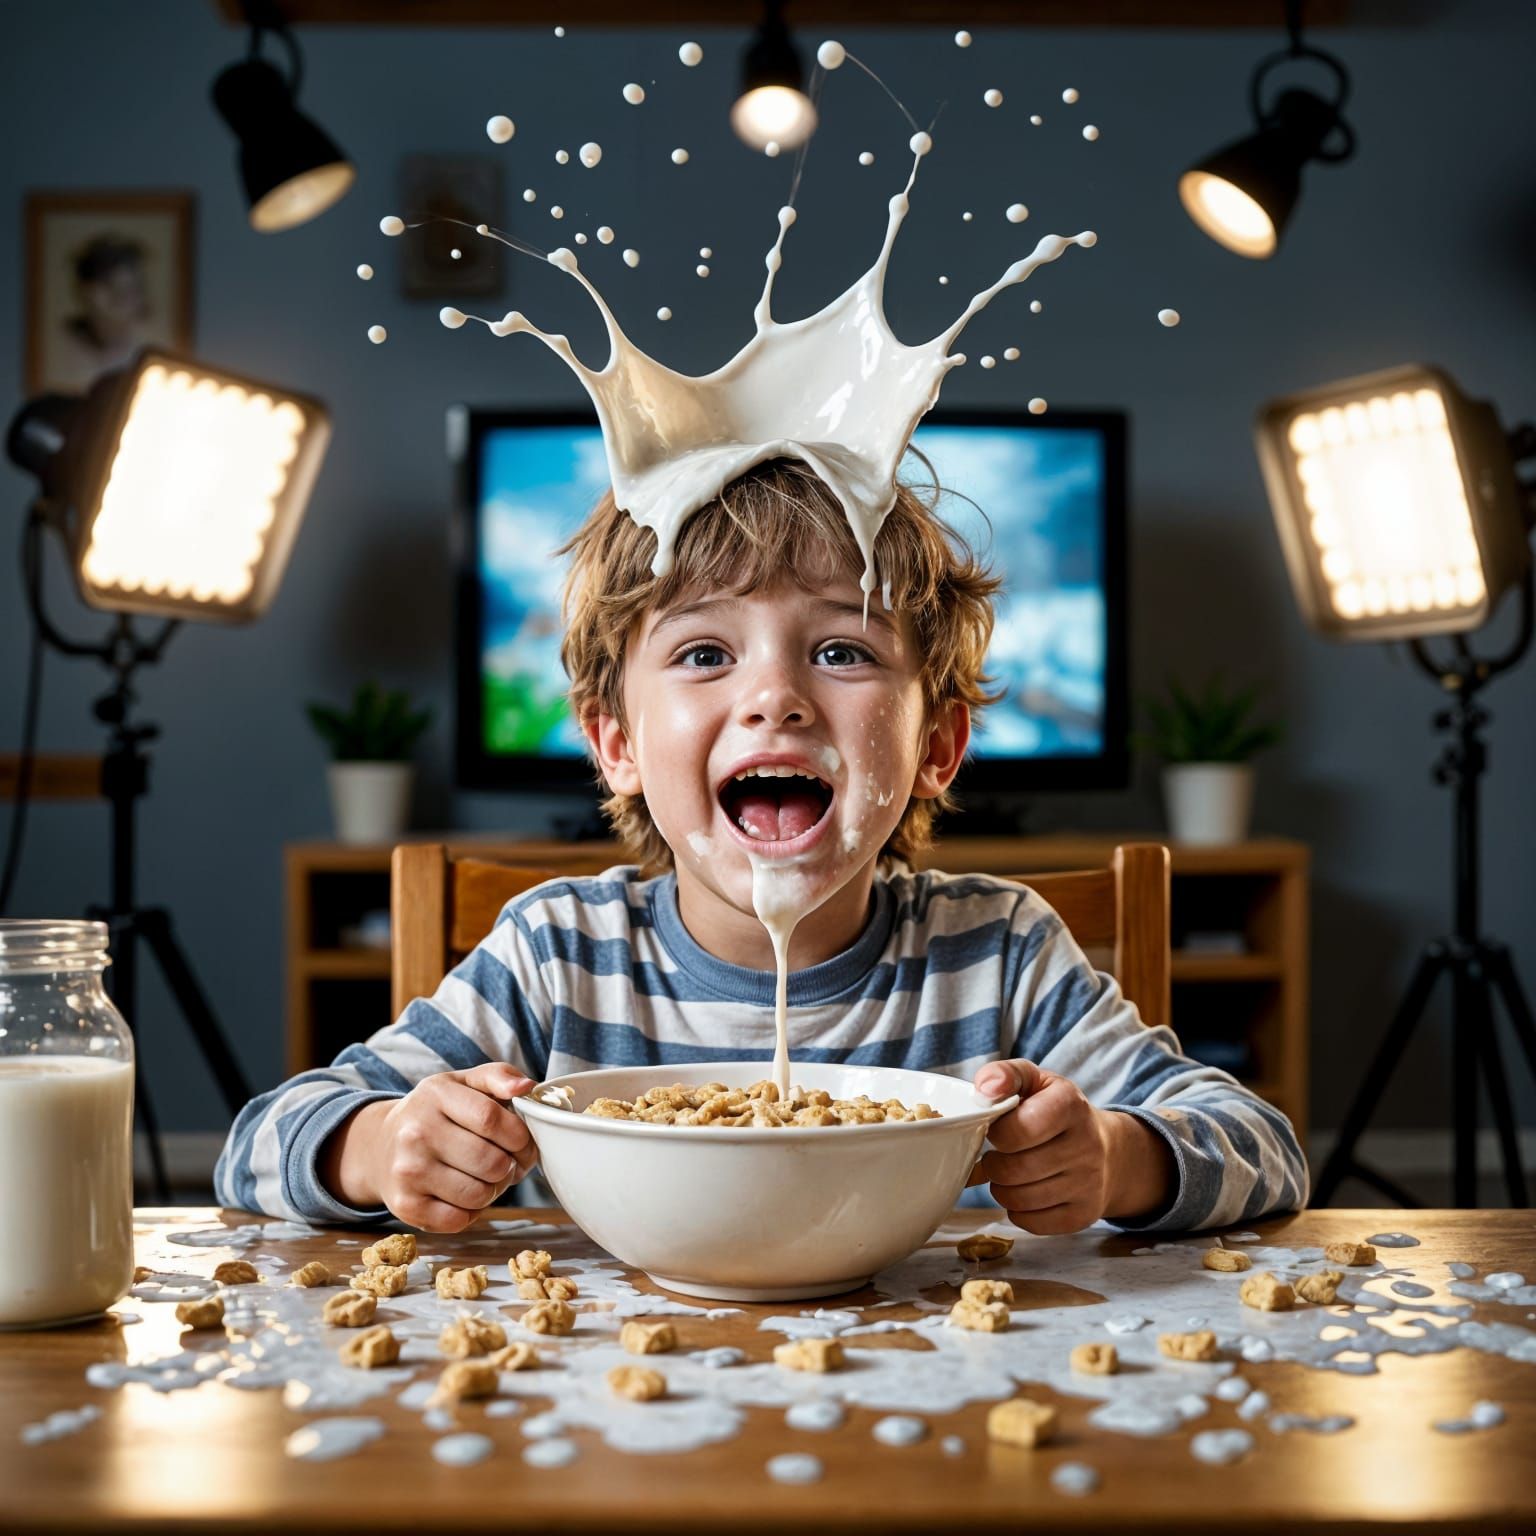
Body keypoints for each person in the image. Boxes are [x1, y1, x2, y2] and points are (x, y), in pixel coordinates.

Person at [215, 458, 1307, 1233]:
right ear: (616, 744)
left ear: (939, 745)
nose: (775, 697)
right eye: (702, 654)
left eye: (841, 648)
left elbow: (1261, 1145)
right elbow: (259, 1142)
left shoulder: (1000, 951)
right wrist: (379, 1150)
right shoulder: (558, 954)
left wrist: (1118, 1160)